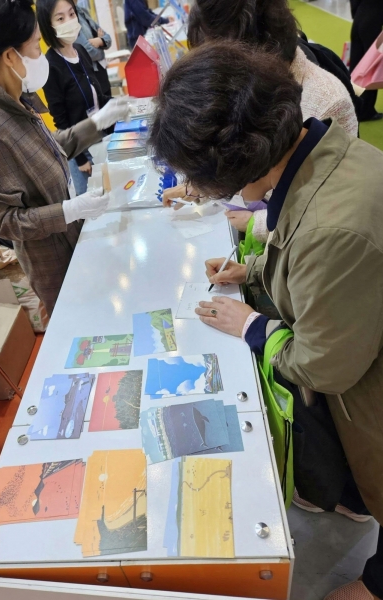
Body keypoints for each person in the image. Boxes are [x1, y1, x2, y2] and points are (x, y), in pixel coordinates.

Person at [149, 41, 383, 600]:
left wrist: (252, 325)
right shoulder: (330, 153)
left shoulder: (329, 227)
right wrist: (252, 269)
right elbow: (309, 255)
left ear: (232, 165)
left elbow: (323, 365)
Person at [0, 0, 129, 316]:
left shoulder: (17, 100)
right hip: (53, 267)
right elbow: (1, 219)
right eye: (36, 45)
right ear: (10, 56)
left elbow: (50, 148)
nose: (42, 54)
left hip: (73, 242)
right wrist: (68, 210)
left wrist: (97, 123)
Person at [164, 0, 358, 247]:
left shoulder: (325, 102)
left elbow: (328, 213)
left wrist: (257, 223)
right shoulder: (246, 92)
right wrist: (205, 183)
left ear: (255, 54)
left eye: (218, 61)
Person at [37, 0, 111, 195]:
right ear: (48, 25)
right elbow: (60, 120)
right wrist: (80, 158)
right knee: (92, 202)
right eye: (60, 18)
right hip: (80, 149)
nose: (69, 21)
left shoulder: (81, 50)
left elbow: (96, 95)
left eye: (71, 14)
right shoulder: (50, 65)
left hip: (100, 137)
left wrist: (117, 107)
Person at [350, 0, 383, 121]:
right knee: (371, 68)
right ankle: (366, 111)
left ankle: (354, 105)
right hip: (373, 21)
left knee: (356, 66)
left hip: (359, 18)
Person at [75, 4, 112, 97]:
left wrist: (100, 40)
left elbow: (108, 38)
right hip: (90, 74)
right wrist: (102, 48)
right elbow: (88, 52)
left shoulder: (82, 11)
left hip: (101, 69)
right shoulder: (71, 19)